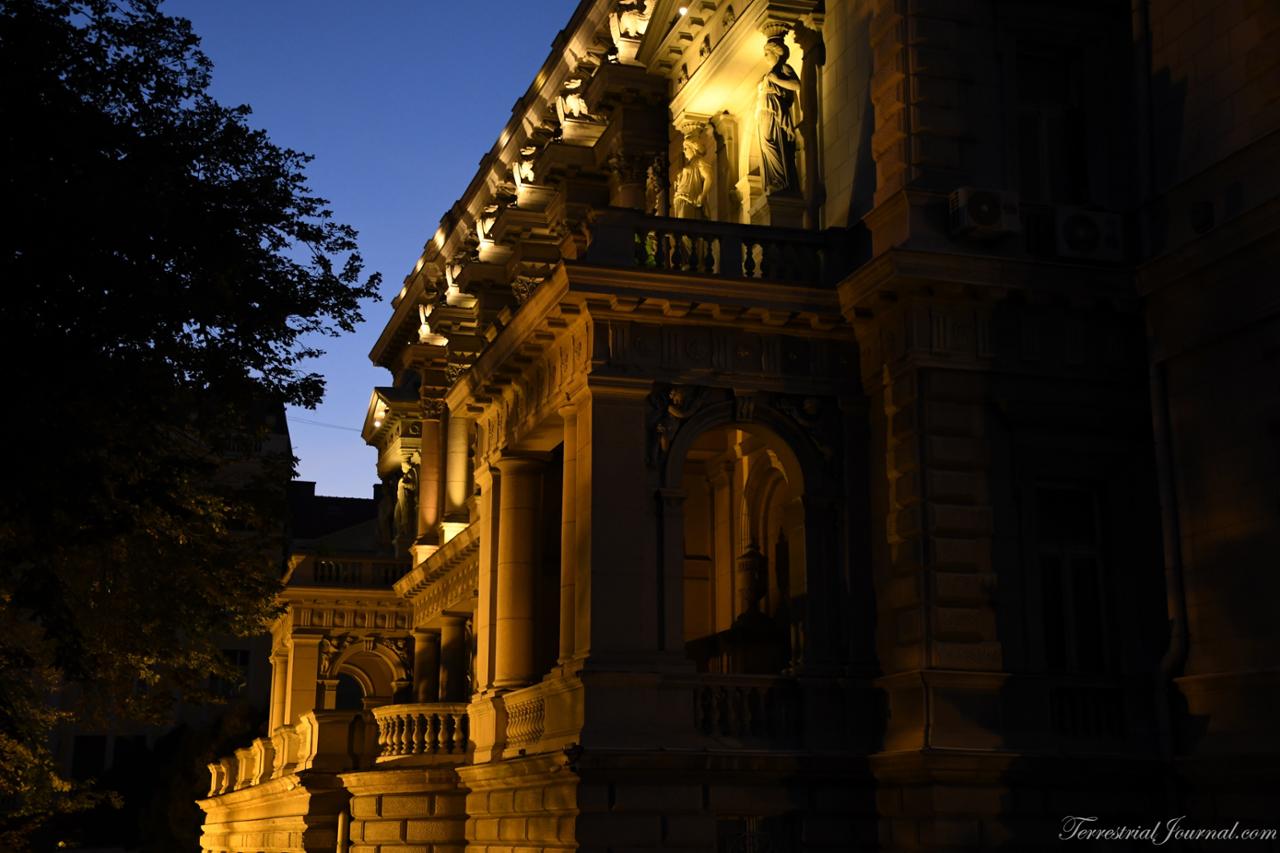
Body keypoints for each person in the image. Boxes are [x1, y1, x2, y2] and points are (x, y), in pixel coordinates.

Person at [756, 38, 802, 195]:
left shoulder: (783, 68)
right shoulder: (767, 74)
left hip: (775, 111)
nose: (765, 56)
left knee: (773, 142)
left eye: (767, 53)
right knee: (765, 146)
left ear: (776, 53)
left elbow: (796, 85)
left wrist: (777, 80)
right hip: (763, 111)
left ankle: (781, 180)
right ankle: (774, 179)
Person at [673, 136, 714, 219]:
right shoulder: (689, 164)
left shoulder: (698, 161)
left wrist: (703, 194)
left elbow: (709, 177)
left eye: (686, 148)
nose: (684, 151)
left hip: (689, 200)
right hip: (679, 199)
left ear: (693, 149)